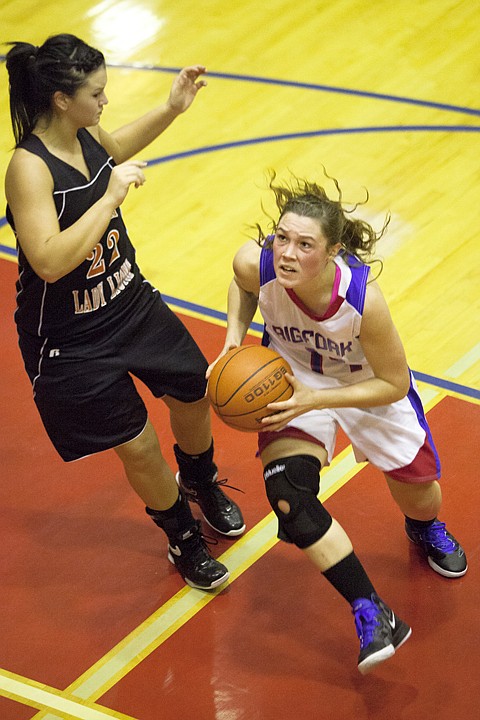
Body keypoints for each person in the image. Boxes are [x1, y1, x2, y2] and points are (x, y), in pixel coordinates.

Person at [4, 33, 245, 592]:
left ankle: (200, 479)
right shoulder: (28, 168)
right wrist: (109, 199)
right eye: (96, 93)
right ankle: (182, 536)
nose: (105, 101)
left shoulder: (83, 129)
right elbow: (47, 261)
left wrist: (171, 109)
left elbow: (114, 150)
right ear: (62, 99)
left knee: (193, 389)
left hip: (127, 300)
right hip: (69, 336)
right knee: (137, 443)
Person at [210, 171, 467, 673]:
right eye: (281, 237)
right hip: (291, 375)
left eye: (304, 244)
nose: (286, 252)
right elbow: (241, 287)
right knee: (288, 497)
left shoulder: (362, 303)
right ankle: (373, 610)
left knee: (418, 487)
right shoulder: (255, 263)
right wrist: (232, 341)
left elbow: (393, 382)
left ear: (331, 253)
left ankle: (425, 527)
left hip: (367, 385)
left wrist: (320, 400)